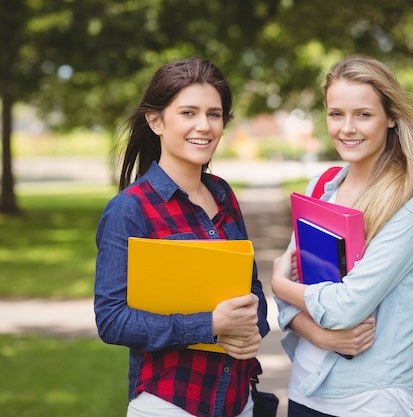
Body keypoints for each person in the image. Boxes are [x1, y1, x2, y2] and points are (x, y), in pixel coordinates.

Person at [94, 57, 270, 417]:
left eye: (214, 114)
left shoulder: (223, 193)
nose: (203, 126)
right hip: (170, 404)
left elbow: (251, 288)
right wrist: (211, 326)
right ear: (156, 121)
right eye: (188, 113)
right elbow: (112, 319)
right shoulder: (129, 209)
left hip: (240, 402)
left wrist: (256, 326)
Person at [272, 55, 413, 417]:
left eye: (363, 114)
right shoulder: (321, 186)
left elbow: (343, 307)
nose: (347, 128)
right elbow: (296, 303)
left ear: (391, 117)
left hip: (370, 402)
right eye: (336, 114)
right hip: (305, 393)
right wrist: (318, 334)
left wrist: (279, 285)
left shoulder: (411, 204)